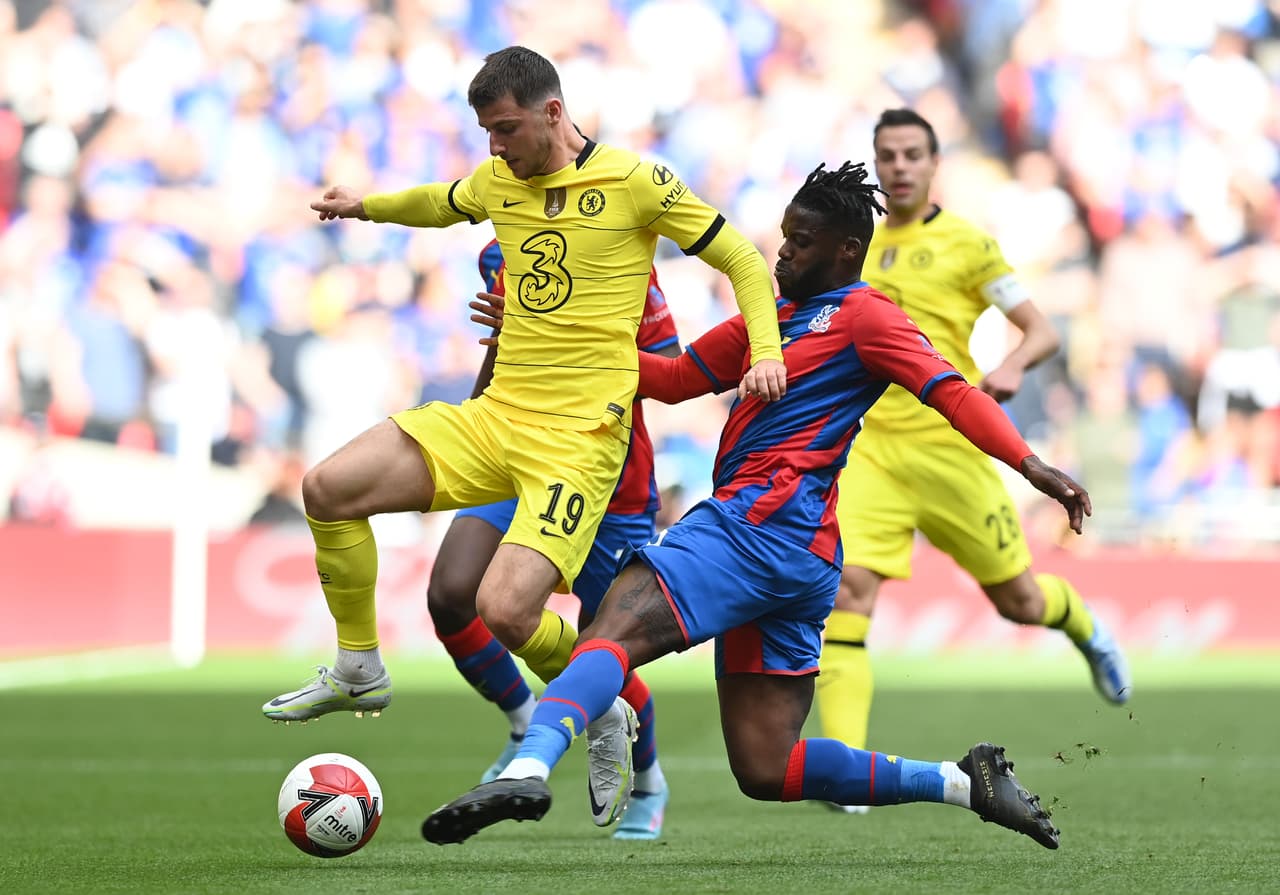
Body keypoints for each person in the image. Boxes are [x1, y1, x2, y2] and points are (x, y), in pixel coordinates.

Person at [419, 160, 1080, 851]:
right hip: (802, 554)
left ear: (845, 250)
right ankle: (963, 781)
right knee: (768, 766)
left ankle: (528, 763)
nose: (783, 252)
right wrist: (544, 335)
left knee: (608, 631)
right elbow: (671, 380)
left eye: (800, 240)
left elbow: (953, 392)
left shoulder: (865, 315)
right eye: (783, 237)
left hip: (757, 523)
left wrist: (1031, 465)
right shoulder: (769, 323)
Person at [262, 46, 785, 829]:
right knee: (328, 488)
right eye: (485, 133)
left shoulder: (635, 181)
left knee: (505, 609)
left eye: (505, 129)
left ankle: (604, 714)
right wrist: (363, 206)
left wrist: (768, 354)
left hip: (581, 441)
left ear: (552, 111)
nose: (495, 148)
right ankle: (359, 665)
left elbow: (742, 256)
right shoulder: (498, 181)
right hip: (496, 416)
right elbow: (440, 201)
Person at [815, 109, 1131, 777]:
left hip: (952, 446)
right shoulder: (852, 243)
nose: (899, 167)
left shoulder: (969, 244)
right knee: (849, 592)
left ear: (933, 165)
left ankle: (1082, 624)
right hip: (872, 449)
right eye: (888, 156)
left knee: (1018, 602)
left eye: (911, 155)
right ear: (875, 165)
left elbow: (1041, 329)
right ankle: (845, 768)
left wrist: (1013, 365)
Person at [425, 238, 679, 840]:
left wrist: (565, 339)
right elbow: (497, 361)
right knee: (451, 592)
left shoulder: (622, 255)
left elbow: (667, 367)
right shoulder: (498, 255)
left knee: (605, 646)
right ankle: (521, 719)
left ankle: (648, 781)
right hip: (513, 455)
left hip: (603, 475)